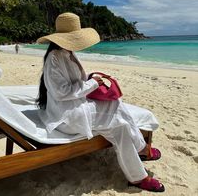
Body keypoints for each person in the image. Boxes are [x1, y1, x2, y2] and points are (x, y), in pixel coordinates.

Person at [36, 12, 164, 192]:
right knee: (115, 105)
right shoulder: (55, 58)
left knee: (120, 128)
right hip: (67, 117)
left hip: (73, 109)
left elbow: (73, 82)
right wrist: (93, 83)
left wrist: (90, 77)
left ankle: (137, 177)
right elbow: (61, 92)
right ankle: (142, 148)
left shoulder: (67, 54)